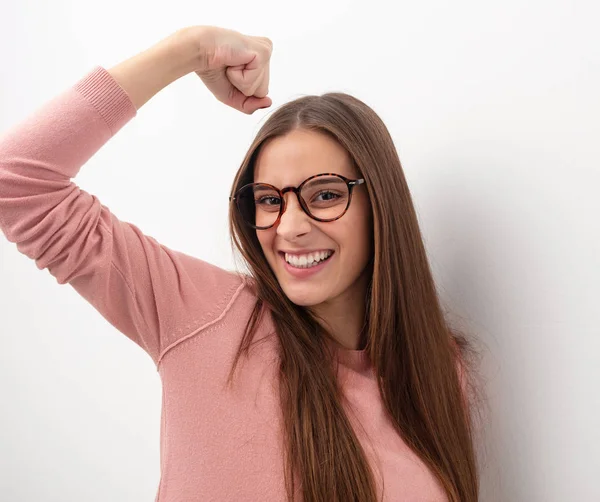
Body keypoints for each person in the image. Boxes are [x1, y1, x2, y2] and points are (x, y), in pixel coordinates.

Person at [0, 25, 479, 502]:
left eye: (326, 194)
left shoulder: (437, 368)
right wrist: (190, 50)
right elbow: (16, 180)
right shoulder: (208, 316)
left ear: (381, 205)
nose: (290, 226)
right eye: (269, 200)